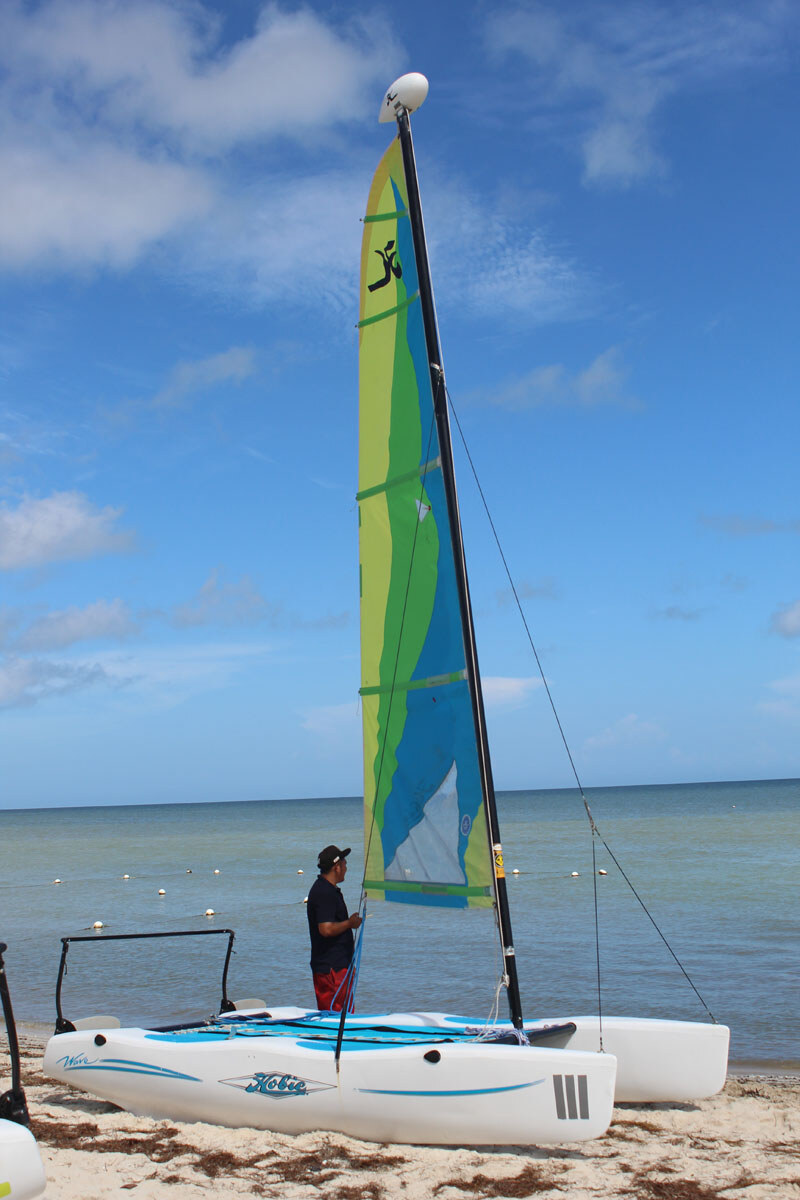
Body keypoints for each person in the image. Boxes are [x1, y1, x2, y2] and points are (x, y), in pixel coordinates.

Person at [306, 844, 362, 1012]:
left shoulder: (329, 889)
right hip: (331, 969)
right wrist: (349, 923)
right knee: (336, 1015)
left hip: (338, 966)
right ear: (336, 867)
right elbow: (326, 929)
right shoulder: (324, 892)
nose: (346, 868)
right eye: (344, 864)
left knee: (345, 1012)